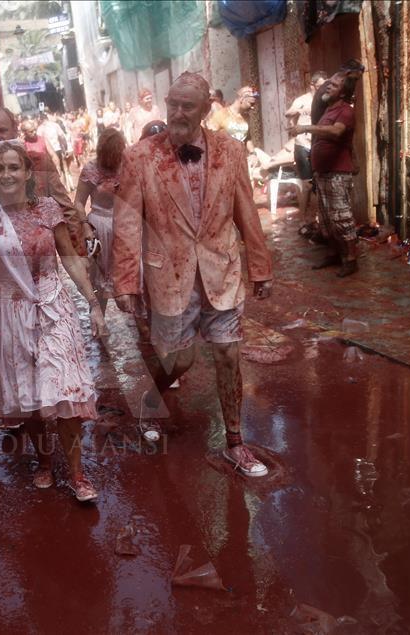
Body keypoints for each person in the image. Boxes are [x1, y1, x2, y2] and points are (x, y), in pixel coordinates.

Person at [112, 72, 274, 477]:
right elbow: (128, 223)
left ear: (206, 109)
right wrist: (126, 282)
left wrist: (260, 266)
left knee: (228, 354)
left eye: (188, 106)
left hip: (222, 269)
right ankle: (150, 400)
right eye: (173, 104)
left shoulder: (231, 151)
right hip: (168, 277)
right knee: (179, 361)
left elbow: (246, 212)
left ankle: (236, 442)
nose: (178, 113)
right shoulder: (139, 156)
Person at [0, 140, 108, 502]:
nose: (7, 174)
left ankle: (76, 473)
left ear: (28, 173)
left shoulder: (47, 209)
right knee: (26, 395)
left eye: (15, 167)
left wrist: (93, 303)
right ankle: (43, 460)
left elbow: (71, 259)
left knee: (66, 389)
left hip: (52, 307)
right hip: (7, 312)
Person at [0, 107, 93, 262]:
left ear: (15, 130)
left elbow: (66, 209)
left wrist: (79, 254)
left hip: (41, 269)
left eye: (2, 130)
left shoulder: (40, 164)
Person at [290, 77, 359, 277]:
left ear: (343, 93)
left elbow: (337, 132)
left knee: (342, 217)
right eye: (329, 84)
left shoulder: (345, 110)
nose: (329, 86)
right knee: (328, 218)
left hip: (337, 172)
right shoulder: (328, 111)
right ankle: (334, 254)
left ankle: (351, 259)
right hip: (323, 172)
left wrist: (305, 128)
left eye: (334, 85)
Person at [74, 128, 126, 316]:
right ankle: (98, 318)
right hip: (99, 228)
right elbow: (78, 203)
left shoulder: (126, 165)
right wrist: (85, 226)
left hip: (125, 228)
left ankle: (142, 325)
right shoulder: (91, 169)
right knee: (99, 280)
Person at [285, 71, 328, 230]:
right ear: (312, 85)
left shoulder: (325, 99)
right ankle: (302, 217)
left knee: (319, 182)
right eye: (320, 86)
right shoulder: (302, 100)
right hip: (302, 144)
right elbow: (287, 113)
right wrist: (297, 111)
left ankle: (318, 217)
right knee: (306, 184)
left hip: (318, 143)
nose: (323, 88)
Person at [311, 59, 365, 126]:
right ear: (348, 73)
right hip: (323, 130)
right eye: (355, 79)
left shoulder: (333, 85)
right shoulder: (331, 89)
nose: (355, 81)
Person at [206, 85, 259, 149]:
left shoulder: (246, 117)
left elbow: (247, 138)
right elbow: (210, 139)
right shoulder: (221, 114)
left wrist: (253, 153)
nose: (252, 107)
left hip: (241, 155)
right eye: (251, 103)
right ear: (242, 99)